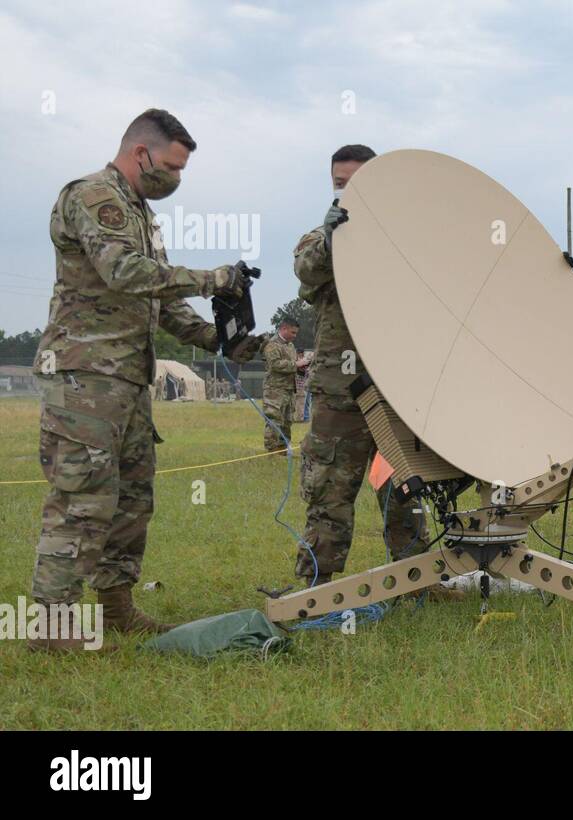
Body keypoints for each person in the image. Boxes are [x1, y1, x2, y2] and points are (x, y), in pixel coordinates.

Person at [29, 108, 257, 652]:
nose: (176, 180)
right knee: (82, 496)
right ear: (141, 154)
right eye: (173, 168)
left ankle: (117, 608)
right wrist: (211, 278)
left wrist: (225, 339)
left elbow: (164, 304)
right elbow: (124, 272)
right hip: (85, 378)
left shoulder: (142, 216)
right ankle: (51, 626)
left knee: (131, 498)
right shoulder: (93, 197)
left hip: (128, 381)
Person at [292, 144, 428, 587]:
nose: (347, 190)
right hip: (340, 391)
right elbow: (307, 273)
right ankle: (318, 583)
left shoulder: (405, 243)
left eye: (357, 182)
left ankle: (415, 580)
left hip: (396, 391)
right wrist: (333, 239)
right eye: (340, 183)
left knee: (404, 492)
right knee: (329, 490)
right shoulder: (319, 239)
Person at [260, 319, 307, 452]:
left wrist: (300, 367)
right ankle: (271, 450)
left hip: (288, 389)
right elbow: (275, 365)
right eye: (293, 332)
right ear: (284, 328)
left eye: (296, 333)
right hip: (275, 389)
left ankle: (282, 449)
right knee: (274, 420)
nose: (294, 335)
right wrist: (296, 364)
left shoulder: (290, 346)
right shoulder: (272, 345)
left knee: (287, 421)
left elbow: (291, 364)